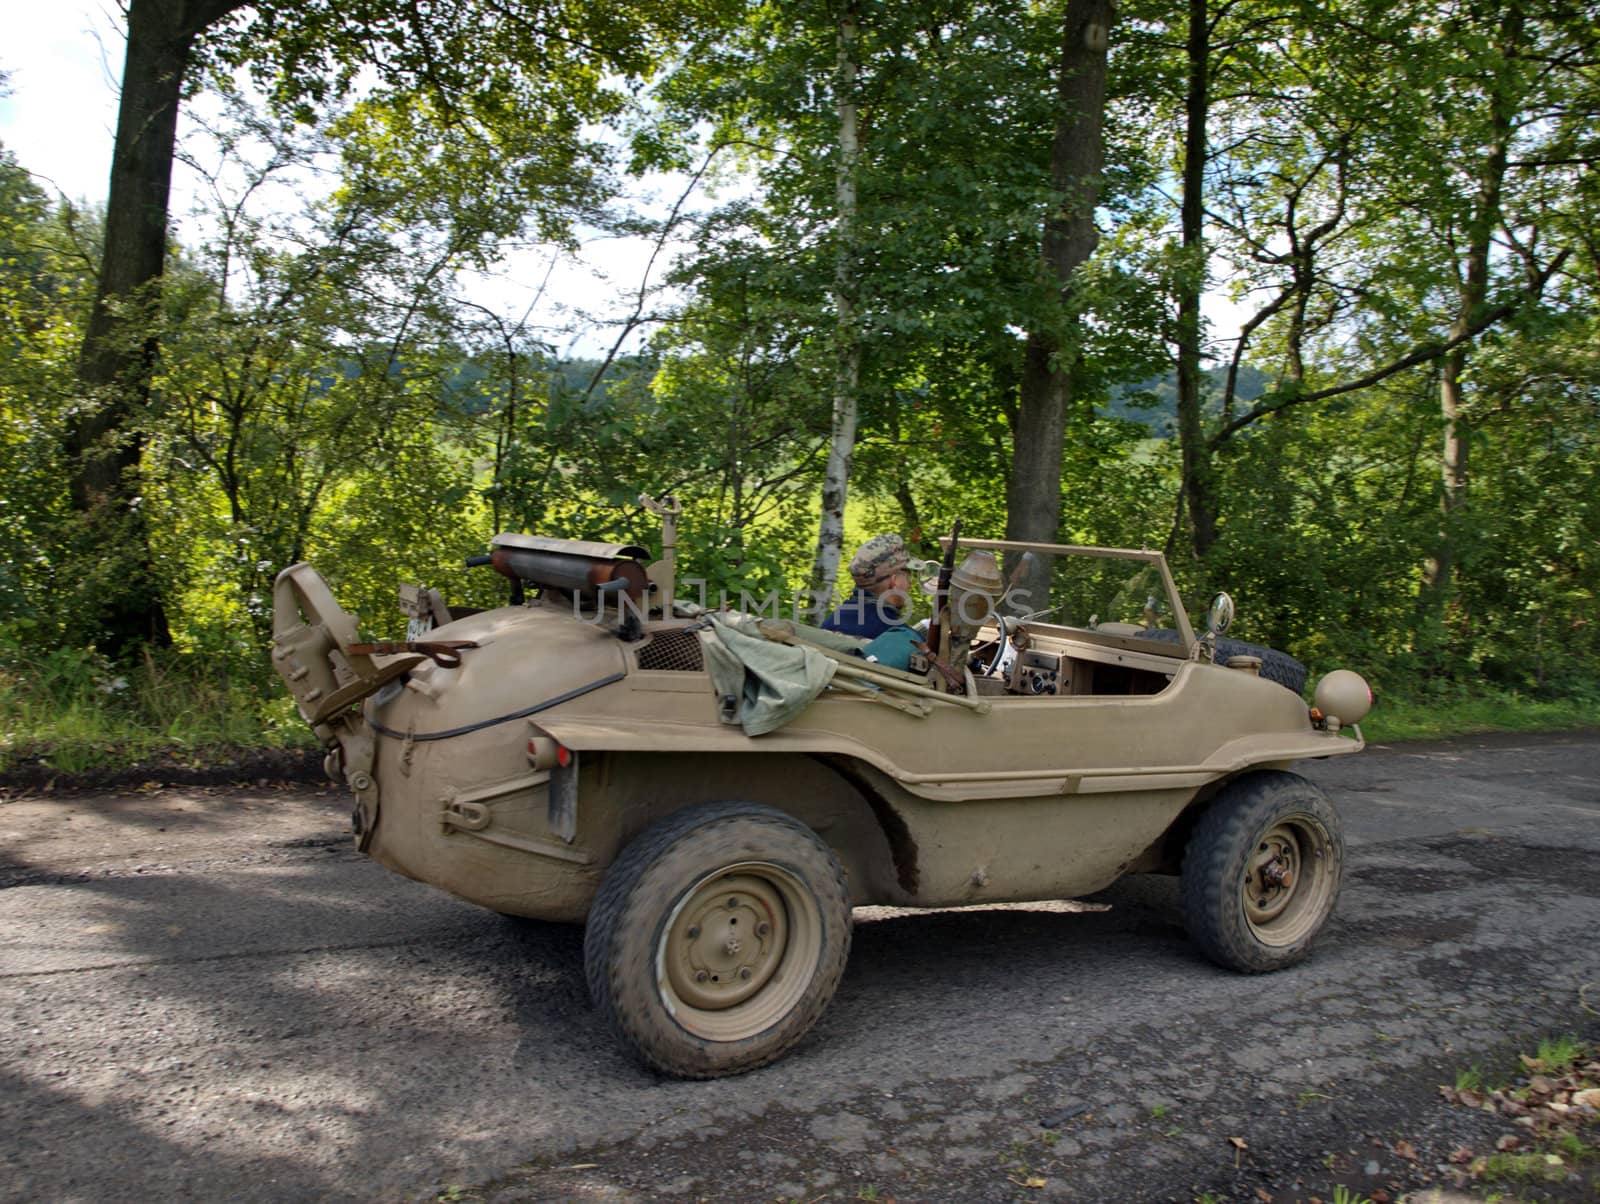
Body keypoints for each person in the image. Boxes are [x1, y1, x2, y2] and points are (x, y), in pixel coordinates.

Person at [820, 534, 927, 640]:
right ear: (894, 582)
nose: (910, 585)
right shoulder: (903, 637)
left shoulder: (832, 621)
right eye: (908, 577)